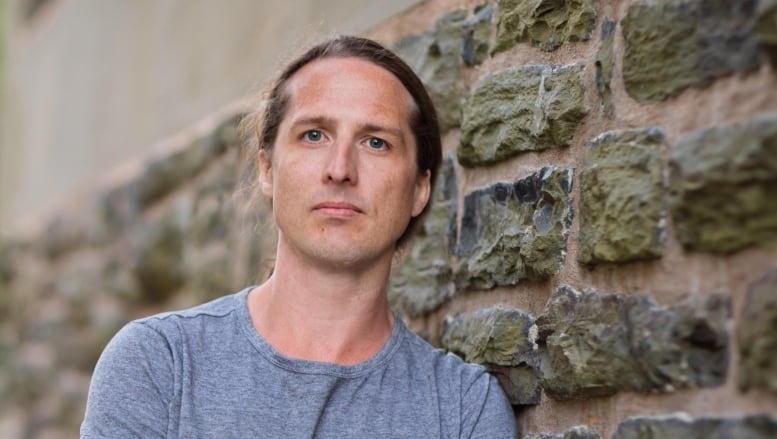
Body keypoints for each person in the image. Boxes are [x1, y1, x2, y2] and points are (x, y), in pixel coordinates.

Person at [81, 35, 517, 438]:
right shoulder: (158, 365)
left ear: (419, 188)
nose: (340, 168)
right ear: (267, 168)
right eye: (314, 135)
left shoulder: (463, 410)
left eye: (376, 142)